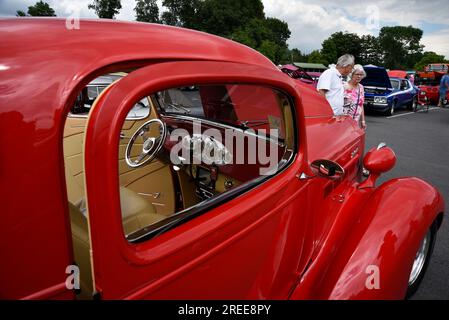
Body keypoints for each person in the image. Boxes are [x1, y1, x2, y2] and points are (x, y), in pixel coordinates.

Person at [343, 64, 366, 129]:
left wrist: (363, 120)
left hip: (355, 121)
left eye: (361, 75)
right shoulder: (344, 86)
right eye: (357, 74)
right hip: (344, 121)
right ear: (351, 74)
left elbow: (361, 105)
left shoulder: (361, 87)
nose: (359, 76)